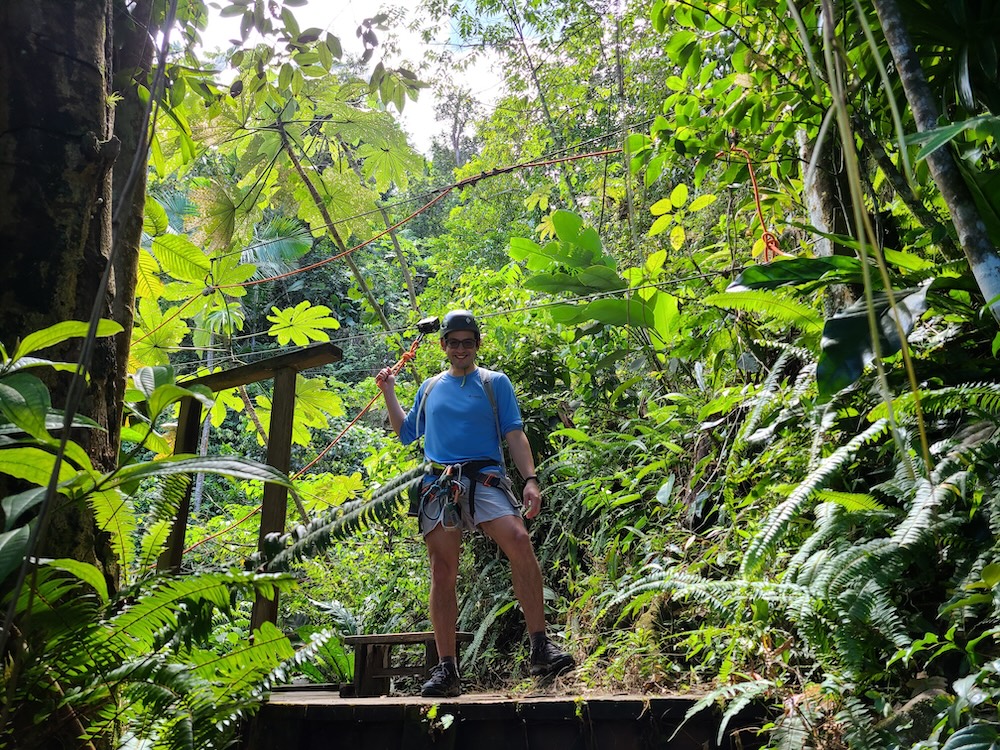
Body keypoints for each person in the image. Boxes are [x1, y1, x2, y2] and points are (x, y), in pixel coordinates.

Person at [376, 309, 575, 697]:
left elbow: (514, 435)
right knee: (442, 569)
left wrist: (530, 479)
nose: (461, 349)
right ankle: (447, 668)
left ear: (477, 345)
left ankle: (540, 646)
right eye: (454, 342)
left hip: (484, 477)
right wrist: (388, 391)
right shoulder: (431, 387)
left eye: (468, 342)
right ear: (443, 346)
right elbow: (406, 433)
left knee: (518, 539)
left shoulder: (493, 383)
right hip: (439, 481)